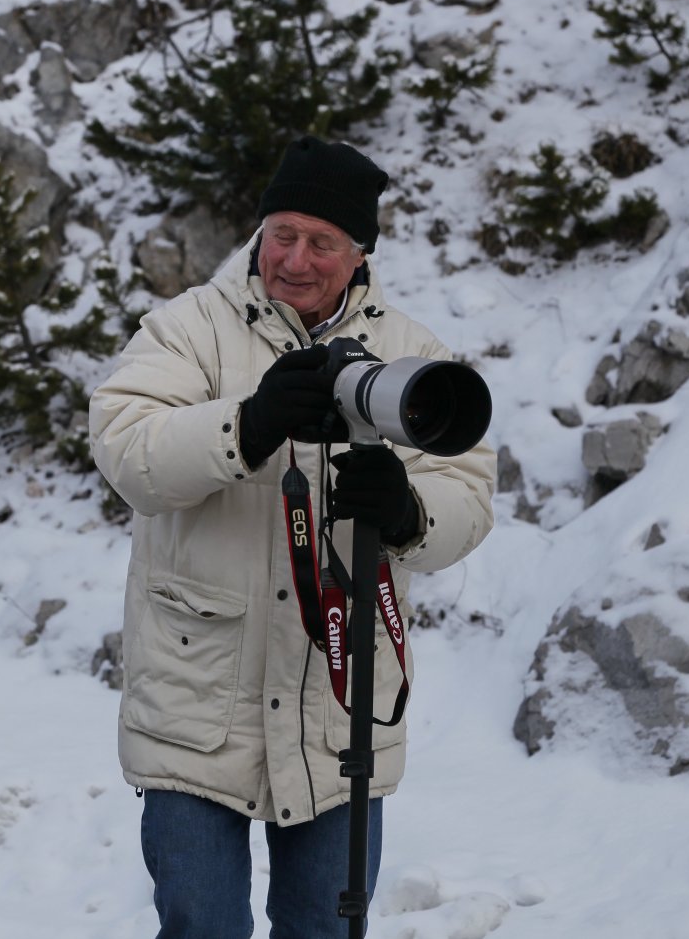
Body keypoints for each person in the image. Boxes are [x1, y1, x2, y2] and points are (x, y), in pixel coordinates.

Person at [89, 136, 496, 938]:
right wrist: (247, 425)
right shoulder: (191, 329)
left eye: (321, 242)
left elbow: (470, 498)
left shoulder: (413, 355)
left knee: (326, 928)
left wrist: (408, 513)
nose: (295, 259)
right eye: (282, 234)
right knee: (202, 925)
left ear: (360, 253)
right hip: (196, 700)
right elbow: (128, 450)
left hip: (340, 705)